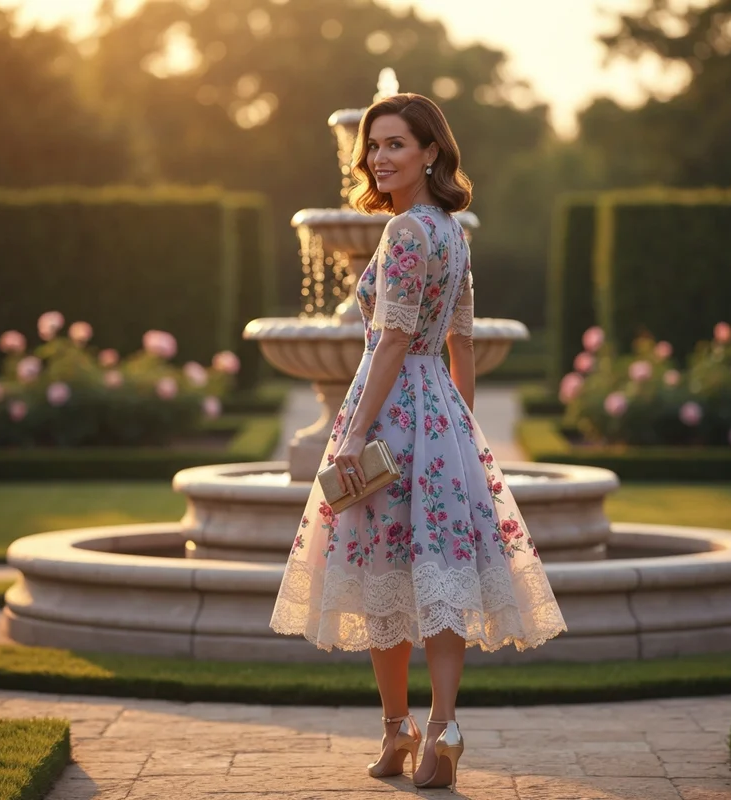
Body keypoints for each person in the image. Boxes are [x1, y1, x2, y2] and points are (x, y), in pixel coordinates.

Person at [270, 93, 566, 793]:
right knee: (438, 577)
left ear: (431, 152)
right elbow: (459, 338)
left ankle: (398, 729)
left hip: (393, 413)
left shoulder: (406, 231)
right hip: (438, 418)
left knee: (384, 580)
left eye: (395, 144)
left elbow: (393, 339)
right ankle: (442, 727)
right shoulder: (453, 230)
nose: (379, 158)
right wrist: (462, 427)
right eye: (373, 147)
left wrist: (358, 433)